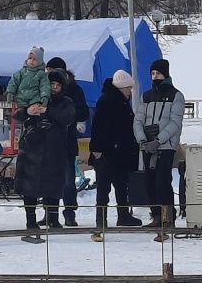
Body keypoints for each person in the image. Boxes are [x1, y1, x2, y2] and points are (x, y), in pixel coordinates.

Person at [14, 68, 76, 230]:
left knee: (53, 186)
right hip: (32, 149)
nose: (54, 87)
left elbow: (68, 117)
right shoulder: (35, 97)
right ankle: (31, 220)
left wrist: (48, 111)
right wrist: (30, 114)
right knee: (30, 188)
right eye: (52, 84)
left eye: (58, 84)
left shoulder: (66, 102)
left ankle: (53, 218)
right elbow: (18, 115)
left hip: (54, 151)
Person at [133, 58, 185, 227]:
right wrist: (142, 140)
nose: (155, 77)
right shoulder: (146, 96)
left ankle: (167, 216)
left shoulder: (176, 95)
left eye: (159, 73)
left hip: (166, 145)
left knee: (162, 181)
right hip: (147, 145)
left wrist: (158, 140)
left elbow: (175, 122)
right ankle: (156, 215)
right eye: (153, 73)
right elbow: (138, 120)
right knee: (149, 182)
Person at [89, 70, 142, 231]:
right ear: (121, 88)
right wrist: (97, 150)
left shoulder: (119, 101)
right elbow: (98, 126)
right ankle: (102, 219)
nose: (130, 92)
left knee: (121, 185)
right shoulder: (107, 101)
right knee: (104, 188)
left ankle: (123, 215)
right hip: (106, 152)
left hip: (119, 152)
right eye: (128, 88)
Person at [45, 56, 90, 226]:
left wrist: (67, 115)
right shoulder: (44, 88)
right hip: (48, 142)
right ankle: (50, 212)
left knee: (68, 180)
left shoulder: (74, 89)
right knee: (49, 179)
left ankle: (69, 212)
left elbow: (83, 112)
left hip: (67, 140)